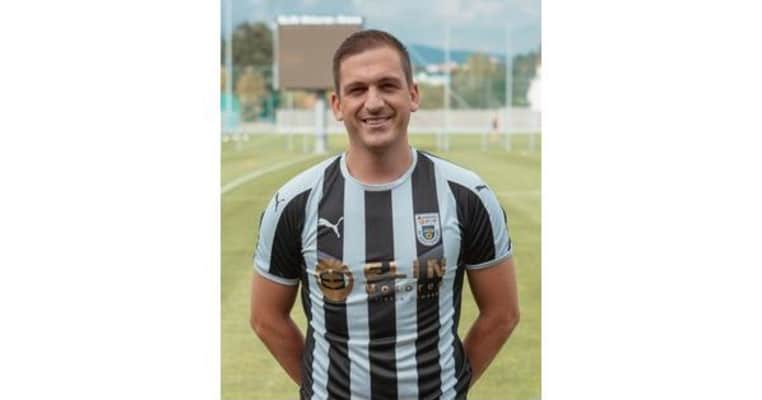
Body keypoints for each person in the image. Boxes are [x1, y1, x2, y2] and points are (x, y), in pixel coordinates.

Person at [250, 29, 519, 400]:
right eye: (357, 90)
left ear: (413, 95)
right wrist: (323, 388)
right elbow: (266, 318)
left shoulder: (467, 196)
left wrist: (450, 388)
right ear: (337, 105)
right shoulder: (294, 202)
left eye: (388, 86)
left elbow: (502, 313)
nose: (373, 103)